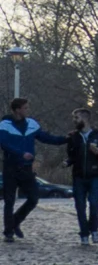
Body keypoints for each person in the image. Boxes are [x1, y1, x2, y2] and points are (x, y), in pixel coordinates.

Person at [0, 97, 68, 244]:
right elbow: (3, 143)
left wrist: (65, 139)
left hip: (26, 168)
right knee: (9, 200)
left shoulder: (31, 124)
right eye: (25, 108)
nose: (27, 110)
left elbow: (46, 138)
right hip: (11, 167)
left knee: (33, 198)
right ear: (17, 110)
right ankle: (8, 232)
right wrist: (20, 153)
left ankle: (15, 221)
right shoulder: (5, 125)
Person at [66, 113, 98, 247]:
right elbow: (71, 155)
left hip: (95, 174)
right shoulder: (74, 136)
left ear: (86, 118)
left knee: (94, 203)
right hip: (78, 175)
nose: (74, 120)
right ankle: (84, 233)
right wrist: (67, 162)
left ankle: (94, 229)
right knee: (80, 206)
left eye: (77, 118)